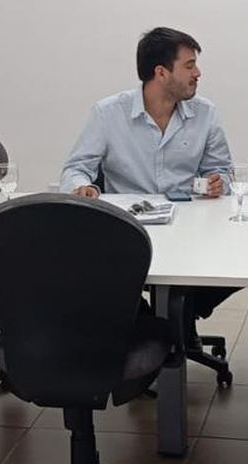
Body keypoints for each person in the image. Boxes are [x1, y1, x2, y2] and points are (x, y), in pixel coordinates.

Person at [60, 26, 235, 338]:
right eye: (189, 66)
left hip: (190, 230)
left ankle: (177, 317)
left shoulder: (205, 114)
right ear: (161, 73)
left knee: (237, 263)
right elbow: (76, 168)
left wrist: (218, 183)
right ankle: (152, 322)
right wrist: (81, 187)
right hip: (128, 231)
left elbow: (223, 172)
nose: (198, 73)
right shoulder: (108, 114)